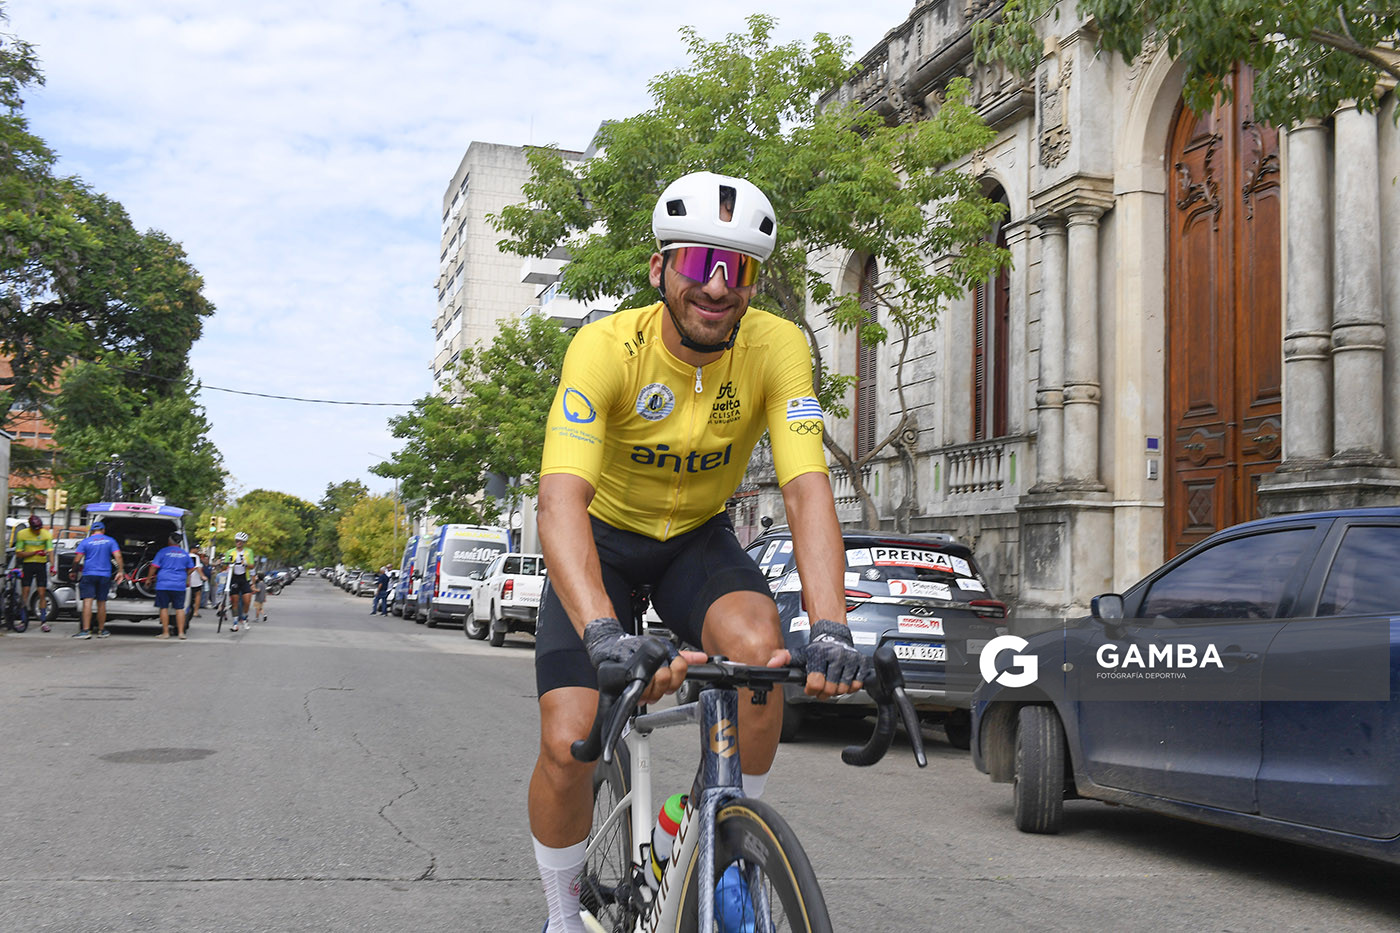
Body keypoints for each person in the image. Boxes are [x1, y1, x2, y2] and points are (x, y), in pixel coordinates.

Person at [529, 171, 867, 933]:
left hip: (694, 540)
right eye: (696, 264)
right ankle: (559, 913)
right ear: (660, 270)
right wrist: (602, 633)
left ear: (752, 284)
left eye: (738, 268)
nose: (716, 286)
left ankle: (698, 816)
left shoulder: (778, 347)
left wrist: (833, 623)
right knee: (567, 740)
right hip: (602, 543)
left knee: (763, 656)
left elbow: (807, 487)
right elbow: (560, 501)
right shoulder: (605, 347)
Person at [71, 521, 124, 639]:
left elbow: (77, 559)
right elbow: (118, 556)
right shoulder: (110, 541)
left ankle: (85, 631)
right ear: (103, 530)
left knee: (87, 603)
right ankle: (102, 630)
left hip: (89, 574)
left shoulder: (85, 542)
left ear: (92, 531)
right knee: (101, 603)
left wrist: (73, 571)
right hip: (104, 575)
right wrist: (120, 571)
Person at [144, 533, 195, 640]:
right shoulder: (184, 553)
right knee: (180, 608)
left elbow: (154, 567)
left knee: (164, 608)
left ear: (169, 541)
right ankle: (181, 633)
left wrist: (149, 579)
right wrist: (185, 574)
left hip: (163, 584)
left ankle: (165, 633)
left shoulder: (163, 552)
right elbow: (192, 568)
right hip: (179, 585)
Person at [11, 514, 55, 631]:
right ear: (30, 527)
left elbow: (50, 551)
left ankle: (43, 621)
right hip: (28, 564)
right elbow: (19, 553)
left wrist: (52, 566)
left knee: (42, 593)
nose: (37, 532)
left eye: (39, 529)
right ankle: (23, 619)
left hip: (41, 565)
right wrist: (35, 553)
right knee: (25, 592)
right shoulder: (22, 534)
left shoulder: (45, 534)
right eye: (35, 529)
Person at [224, 532, 256, 631]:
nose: (238, 543)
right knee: (235, 601)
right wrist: (228, 564)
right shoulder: (230, 552)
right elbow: (225, 566)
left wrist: (246, 564)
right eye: (236, 541)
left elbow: (252, 566)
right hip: (234, 578)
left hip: (244, 578)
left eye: (240, 541)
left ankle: (245, 618)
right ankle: (235, 623)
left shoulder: (248, 552)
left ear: (244, 542)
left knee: (247, 600)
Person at [187, 551, 207, 618]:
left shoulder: (185, 554)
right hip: (195, 580)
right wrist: (202, 576)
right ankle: (195, 612)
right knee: (197, 594)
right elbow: (196, 567)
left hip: (187, 579)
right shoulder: (195, 557)